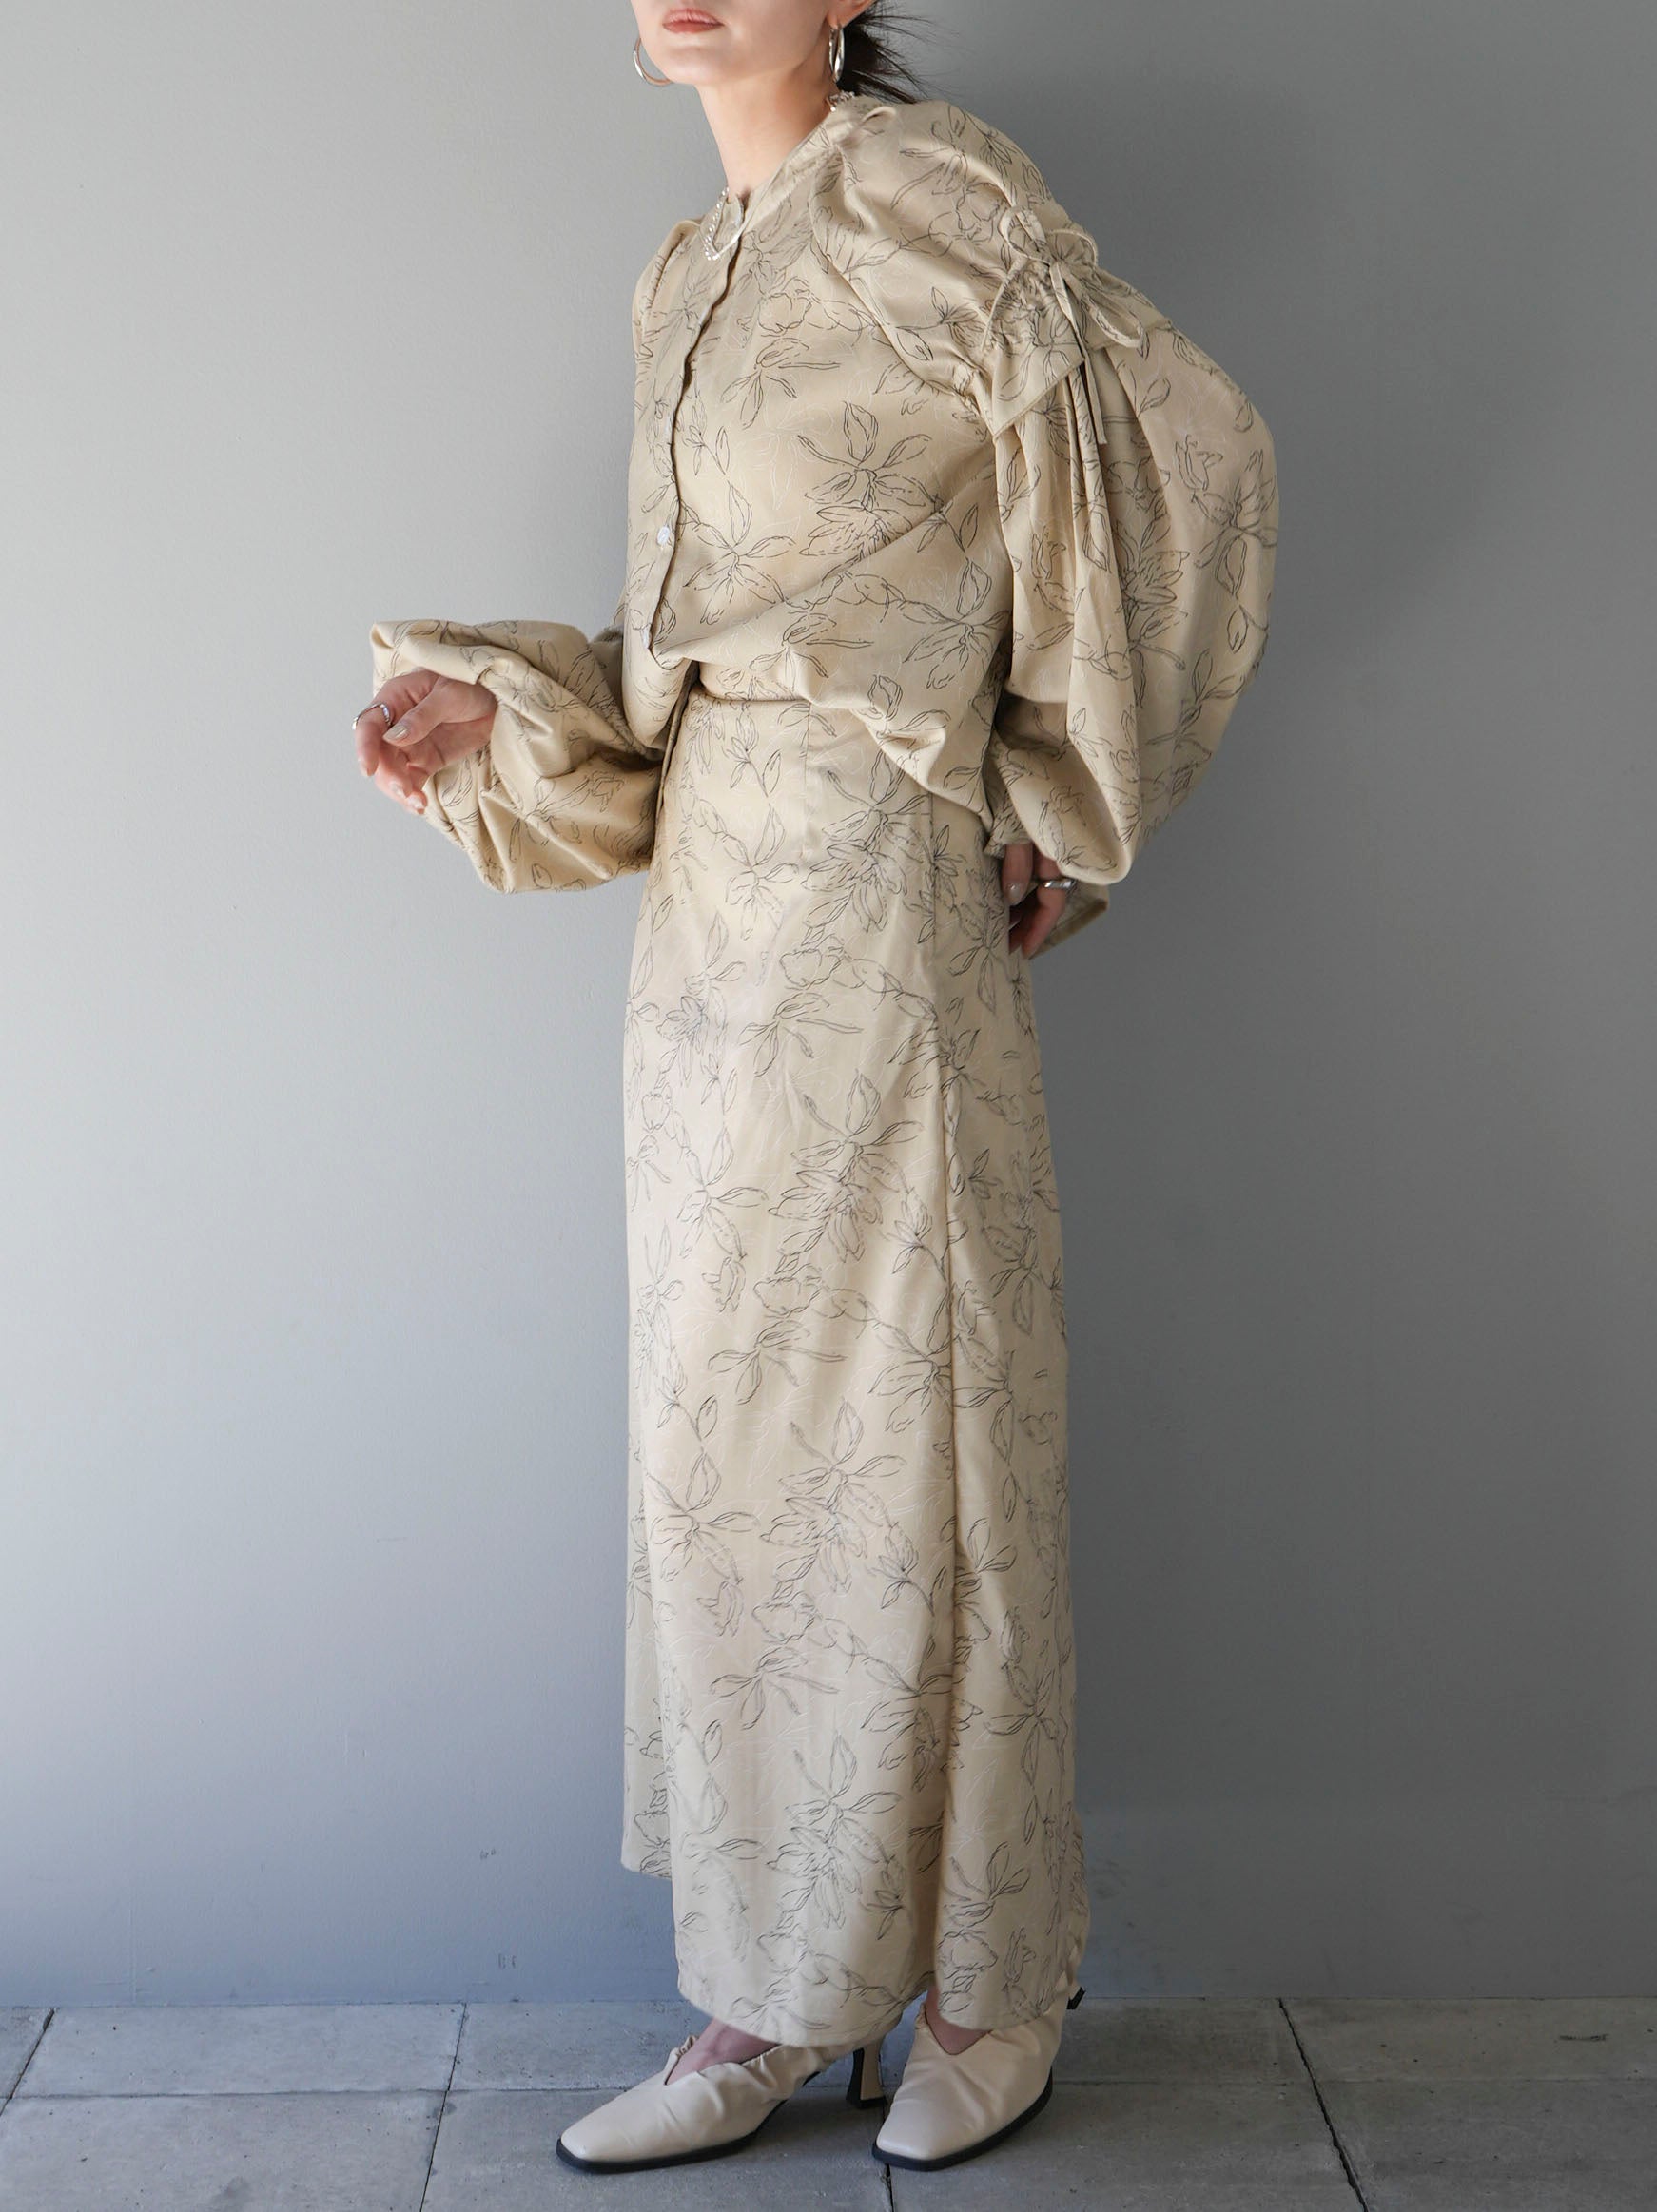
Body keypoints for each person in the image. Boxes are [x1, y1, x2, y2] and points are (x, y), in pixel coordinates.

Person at [353, 0, 1277, 2177]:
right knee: (735, 1457)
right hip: (705, 957)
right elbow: (696, 644)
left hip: (874, 911)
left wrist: (1055, 791)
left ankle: (987, 1978)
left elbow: (1190, 458)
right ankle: (775, 1987)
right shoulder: (687, 269)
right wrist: (503, 712)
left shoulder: (940, 195)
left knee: (914, 1432)